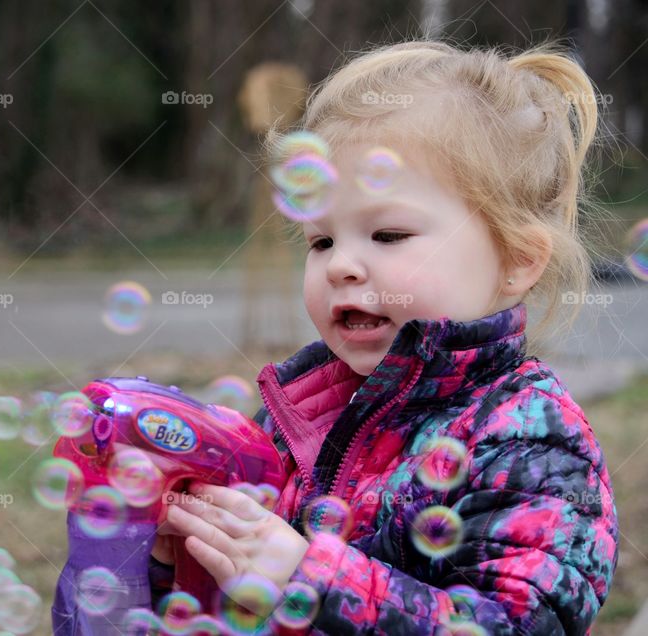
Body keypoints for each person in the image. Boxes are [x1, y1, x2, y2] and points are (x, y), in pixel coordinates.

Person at [150, 40, 619, 635]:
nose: (341, 265)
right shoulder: (295, 419)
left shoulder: (532, 442)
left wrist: (308, 575)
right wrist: (182, 564)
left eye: (389, 234)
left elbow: (512, 624)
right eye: (320, 241)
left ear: (518, 258)